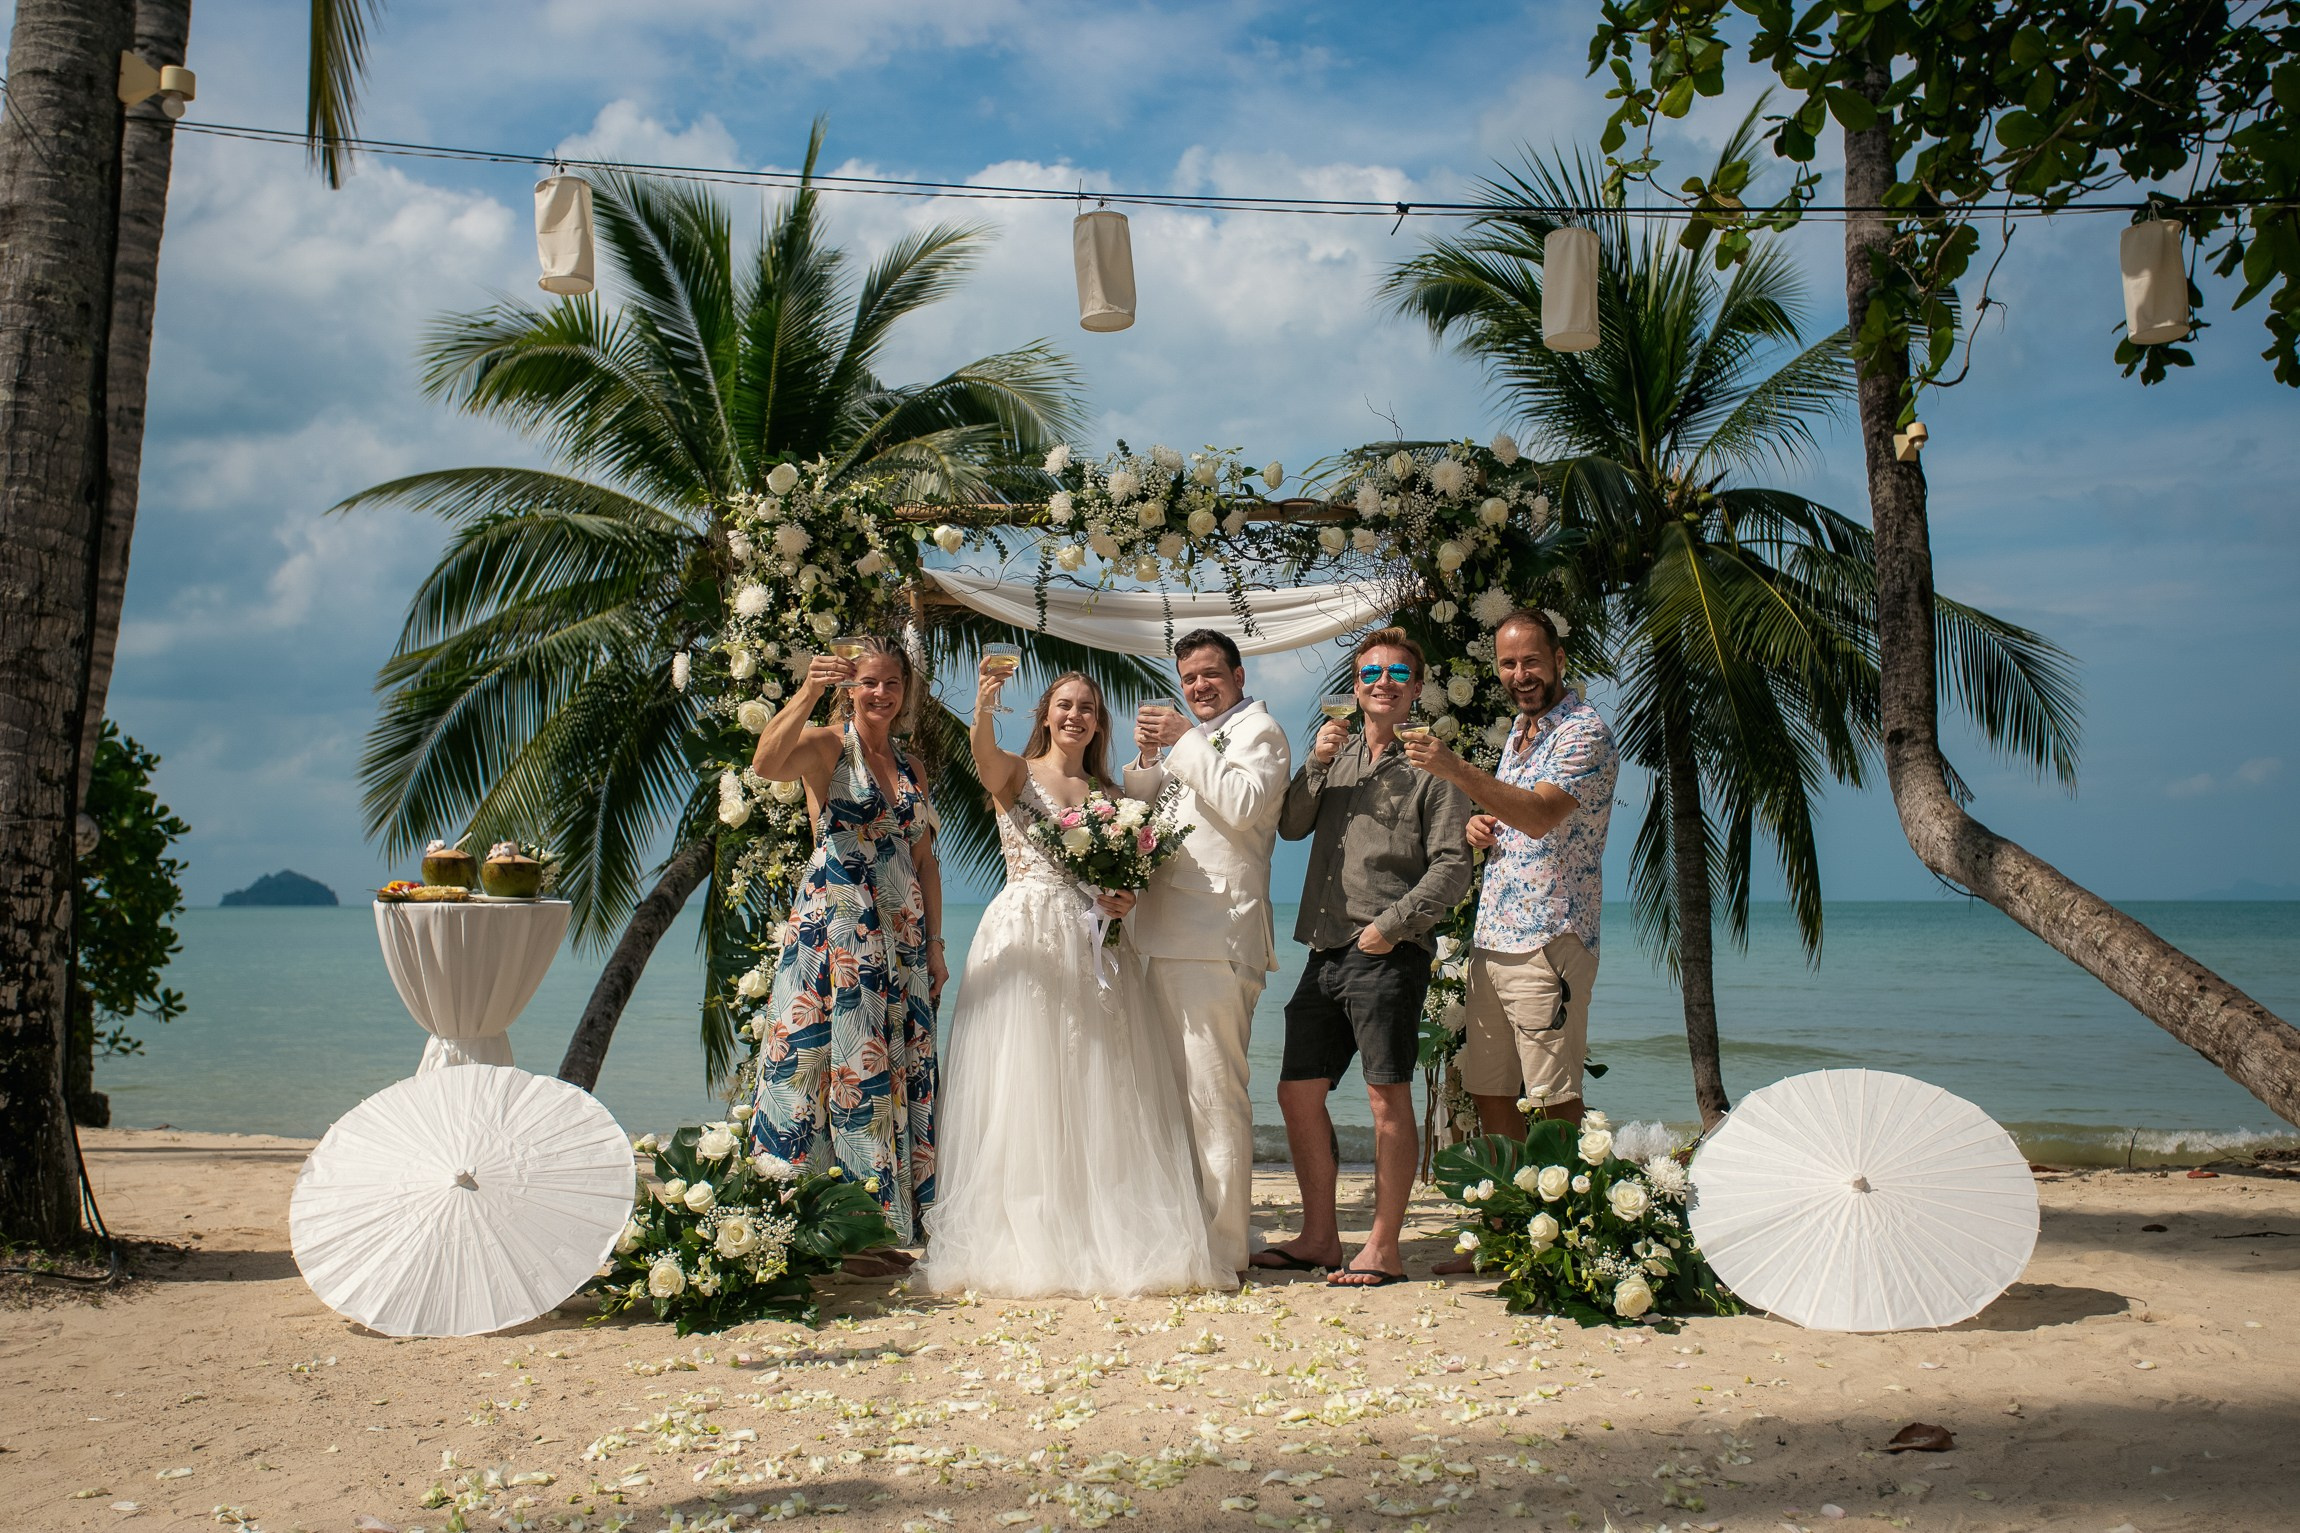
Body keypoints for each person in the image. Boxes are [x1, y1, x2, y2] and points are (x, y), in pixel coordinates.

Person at [917, 665, 1230, 1297]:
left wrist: (1123, 899)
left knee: (1097, 1078)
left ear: (1098, 722)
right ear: (1045, 713)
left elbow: (1128, 876)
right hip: (1025, 930)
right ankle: (1028, 1229)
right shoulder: (1014, 772)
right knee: (1028, 1079)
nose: (1075, 715)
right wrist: (982, 705)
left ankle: (1095, 1225)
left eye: (1087, 707)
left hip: (1094, 941)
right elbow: (980, 756)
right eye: (1064, 705)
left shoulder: (1112, 794)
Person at [1400, 608, 1617, 1276]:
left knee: (1553, 1097)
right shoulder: (1523, 732)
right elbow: (1517, 816)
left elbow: (1542, 812)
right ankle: (1508, 1235)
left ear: (1556, 656)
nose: (1519, 675)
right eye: (1508, 663)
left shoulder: (1585, 731)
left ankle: (1572, 1241)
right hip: (1495, 936)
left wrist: (1455, 769)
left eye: (1531, 661)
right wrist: (1480, 827)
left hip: (1550, 936)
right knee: (1490, 1090)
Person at [1255, 628, 1473, 1288]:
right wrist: (1316, 763)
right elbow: (1291, 825)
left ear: (1416, 688)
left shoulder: (1433, 766)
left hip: (1386, 952)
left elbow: (1454, 866)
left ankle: (1382, 1245)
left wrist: (1390, 926)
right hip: (1323, 949)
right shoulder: (1337, 753)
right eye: (1371, 671)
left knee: (1386, 1099)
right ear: (1355, 687)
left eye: (1398, 672)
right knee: (1296, 1092)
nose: (1383, 681)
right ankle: (1320, 1237)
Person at [744, 636, 946, 1278]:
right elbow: (766, 763)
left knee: (892, 1074)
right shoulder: (830, 745)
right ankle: (825, 1231)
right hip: (839, 928)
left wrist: (935, 945)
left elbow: (924, 861)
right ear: (849, 688)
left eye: (891, 683)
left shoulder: (912, 763)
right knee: (828, 1069)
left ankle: (880, 1224)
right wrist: (808, 689)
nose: (880, 694)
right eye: (868, 683)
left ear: (905, 691)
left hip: (903, 937)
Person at [1126, 629, 1293, 1275]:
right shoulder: (1188, 744)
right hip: (1163, 933)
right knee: (1171, 1096)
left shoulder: (1261, 732)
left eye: (1209, 674)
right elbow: (1151, 815)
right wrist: (1146, 759)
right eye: (1188, 676)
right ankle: (1186, 1235)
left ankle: (1223, 1250)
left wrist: (1182, 741)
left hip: (1215, 936)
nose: (1198, 685)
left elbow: (1246, 805)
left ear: (1238, 674)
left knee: (1213, 1097)